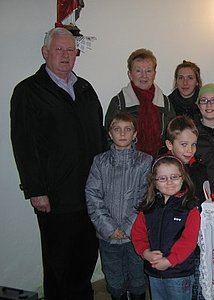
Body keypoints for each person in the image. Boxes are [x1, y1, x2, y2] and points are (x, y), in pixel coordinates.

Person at [10, 27, 106, 300]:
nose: (66, 55)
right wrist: (36, 190)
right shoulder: (28, 91)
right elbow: (23, 145)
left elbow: (99, 137)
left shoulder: (85, 88)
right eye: (59, 50)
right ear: (45, 53)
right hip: (55, 195)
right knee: (59, 264)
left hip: (90, 192)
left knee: (86, 257)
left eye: (70, 50)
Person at [85, 112, 153, 300]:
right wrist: (110, 228)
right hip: (108, 237)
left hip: (136, 235)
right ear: (110, 134)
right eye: (117, 129)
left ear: (135, 134)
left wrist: (128, 227)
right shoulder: (100, 162)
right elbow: (93, 195)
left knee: (138, 277)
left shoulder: (145, 161)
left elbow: (145, 196)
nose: (122, 134)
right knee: (114, 279)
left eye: (127, 129)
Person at [131, 156, 201, 300]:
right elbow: (138, 234)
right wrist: (146, 253)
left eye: (174, 177)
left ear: (183, 179)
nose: (169, 182)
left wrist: (169, 261)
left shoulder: (190, 208)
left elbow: (189, 241)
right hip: (154, 271)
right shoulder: (149, 207)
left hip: (179, 273)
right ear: (155, 183)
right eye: (162, 178)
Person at [164, 115, 209, 300]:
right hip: (175, 240)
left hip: (196, 236)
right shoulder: (165, 172)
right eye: (183, 144)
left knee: (198, 283)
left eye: (193, 144)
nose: (190, 150)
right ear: (169, 145)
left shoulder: (198, 168)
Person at [105, 48, 176, 157]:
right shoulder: (119, 103)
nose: (144, 76)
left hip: (159, 165)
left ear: (154, 74)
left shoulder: (165, 103)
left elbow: (173, 137)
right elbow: (109, 138)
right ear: (130, 74)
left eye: (148, 71)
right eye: (138, 71)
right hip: (127, 165)